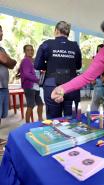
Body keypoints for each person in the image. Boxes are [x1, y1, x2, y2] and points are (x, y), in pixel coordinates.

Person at [34, 21, 82, 119]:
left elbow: (37, 65)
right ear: (67, 33)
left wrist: (49, 65)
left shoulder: (46, 44)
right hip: (71, 85)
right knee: (72, 118)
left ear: (56, 31)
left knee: (53, 119)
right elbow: (78, 66)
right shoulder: (75, 46)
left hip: (51, 85)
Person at [0, 25, 16, 155]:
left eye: (1, 31)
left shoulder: (1, 49)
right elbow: (6, 60)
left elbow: (12, 63)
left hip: (3, 86)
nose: (1, 33)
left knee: (1, 115)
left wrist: (8, 60)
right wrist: (7, 60)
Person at [19, 45, 43, 122]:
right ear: (24, 52)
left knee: (40, 103)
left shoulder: (34, 60)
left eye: (32, 50)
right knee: (30, 105)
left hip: (36, 85)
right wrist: (37, 80)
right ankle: (27, 123)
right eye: (28, 50)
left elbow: (36, 71)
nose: (30, 51)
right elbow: (26, 74)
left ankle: (40, 119)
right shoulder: (25, 61)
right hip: (29, 86)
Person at [90, 44, 104, 111]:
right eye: (98, 50)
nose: (99, 52)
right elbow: (92, 70)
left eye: (101, 50)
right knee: (95, 102)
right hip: (98, 81)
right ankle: (92, 116)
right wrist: (92, 79)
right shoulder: (94, 58)